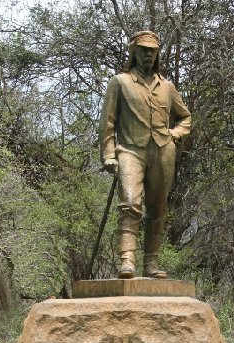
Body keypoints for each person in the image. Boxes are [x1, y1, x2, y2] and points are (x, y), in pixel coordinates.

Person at [99, 30, 191, 279]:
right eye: (143, 49)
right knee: (130, 203)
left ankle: (151, 263)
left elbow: (185, 117)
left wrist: (174, 134)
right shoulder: (120, 82)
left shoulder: (167, 87)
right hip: (130, 150)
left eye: (152, 50)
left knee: (158, 208)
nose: (148, 54)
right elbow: (108, 122)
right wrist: (108, 154)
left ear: (157, 53)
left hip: (162, 152)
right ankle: (127, 260)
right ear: (134, 51)